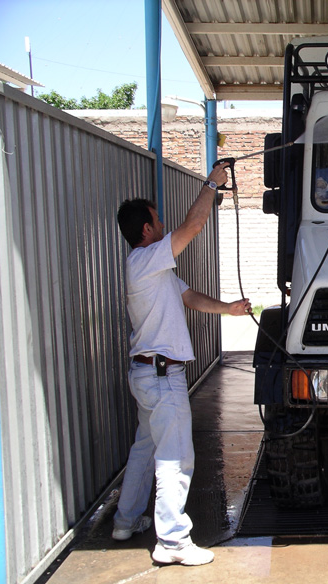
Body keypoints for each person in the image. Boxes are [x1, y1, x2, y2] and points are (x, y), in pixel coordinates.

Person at [113, 161, 250, 566]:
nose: (162, 224)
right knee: (175, 457)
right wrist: (211, 183)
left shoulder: (152, 270)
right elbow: (192, 228)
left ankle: (126, 519)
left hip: (146, 376)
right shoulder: (145, 260)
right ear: (146, 231)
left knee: (144, 450)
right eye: (157, 220)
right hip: (161, 376)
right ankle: (171, 541)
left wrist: (230, 309)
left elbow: (188, 297)